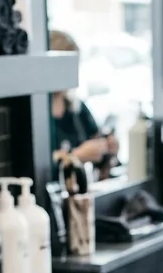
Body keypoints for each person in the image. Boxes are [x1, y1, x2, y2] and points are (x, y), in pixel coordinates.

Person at [49, 29, 119, 173]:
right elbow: (38, 167)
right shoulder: (36, 116)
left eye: (74, 66)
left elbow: (95, 142)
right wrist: (76, 157)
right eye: (64, 67)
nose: (70, 73)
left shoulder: (77, 108)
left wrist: (107, 150)